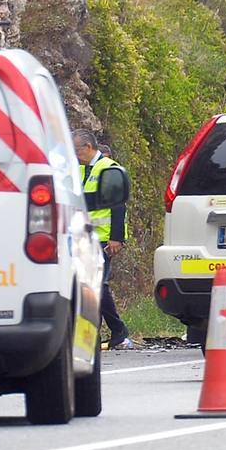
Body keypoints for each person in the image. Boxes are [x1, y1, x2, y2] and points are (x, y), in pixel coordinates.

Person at [74, 129, 133, 350]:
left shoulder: (109, 169)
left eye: (77, 150)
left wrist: (116, 238)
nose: (75, 154)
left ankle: (117, 331)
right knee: (90, 286)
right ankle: (98, 333)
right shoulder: (81, 170)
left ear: (88, 147)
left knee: (98, 284)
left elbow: (118, 205)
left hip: (104, 240)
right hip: (84, 238)